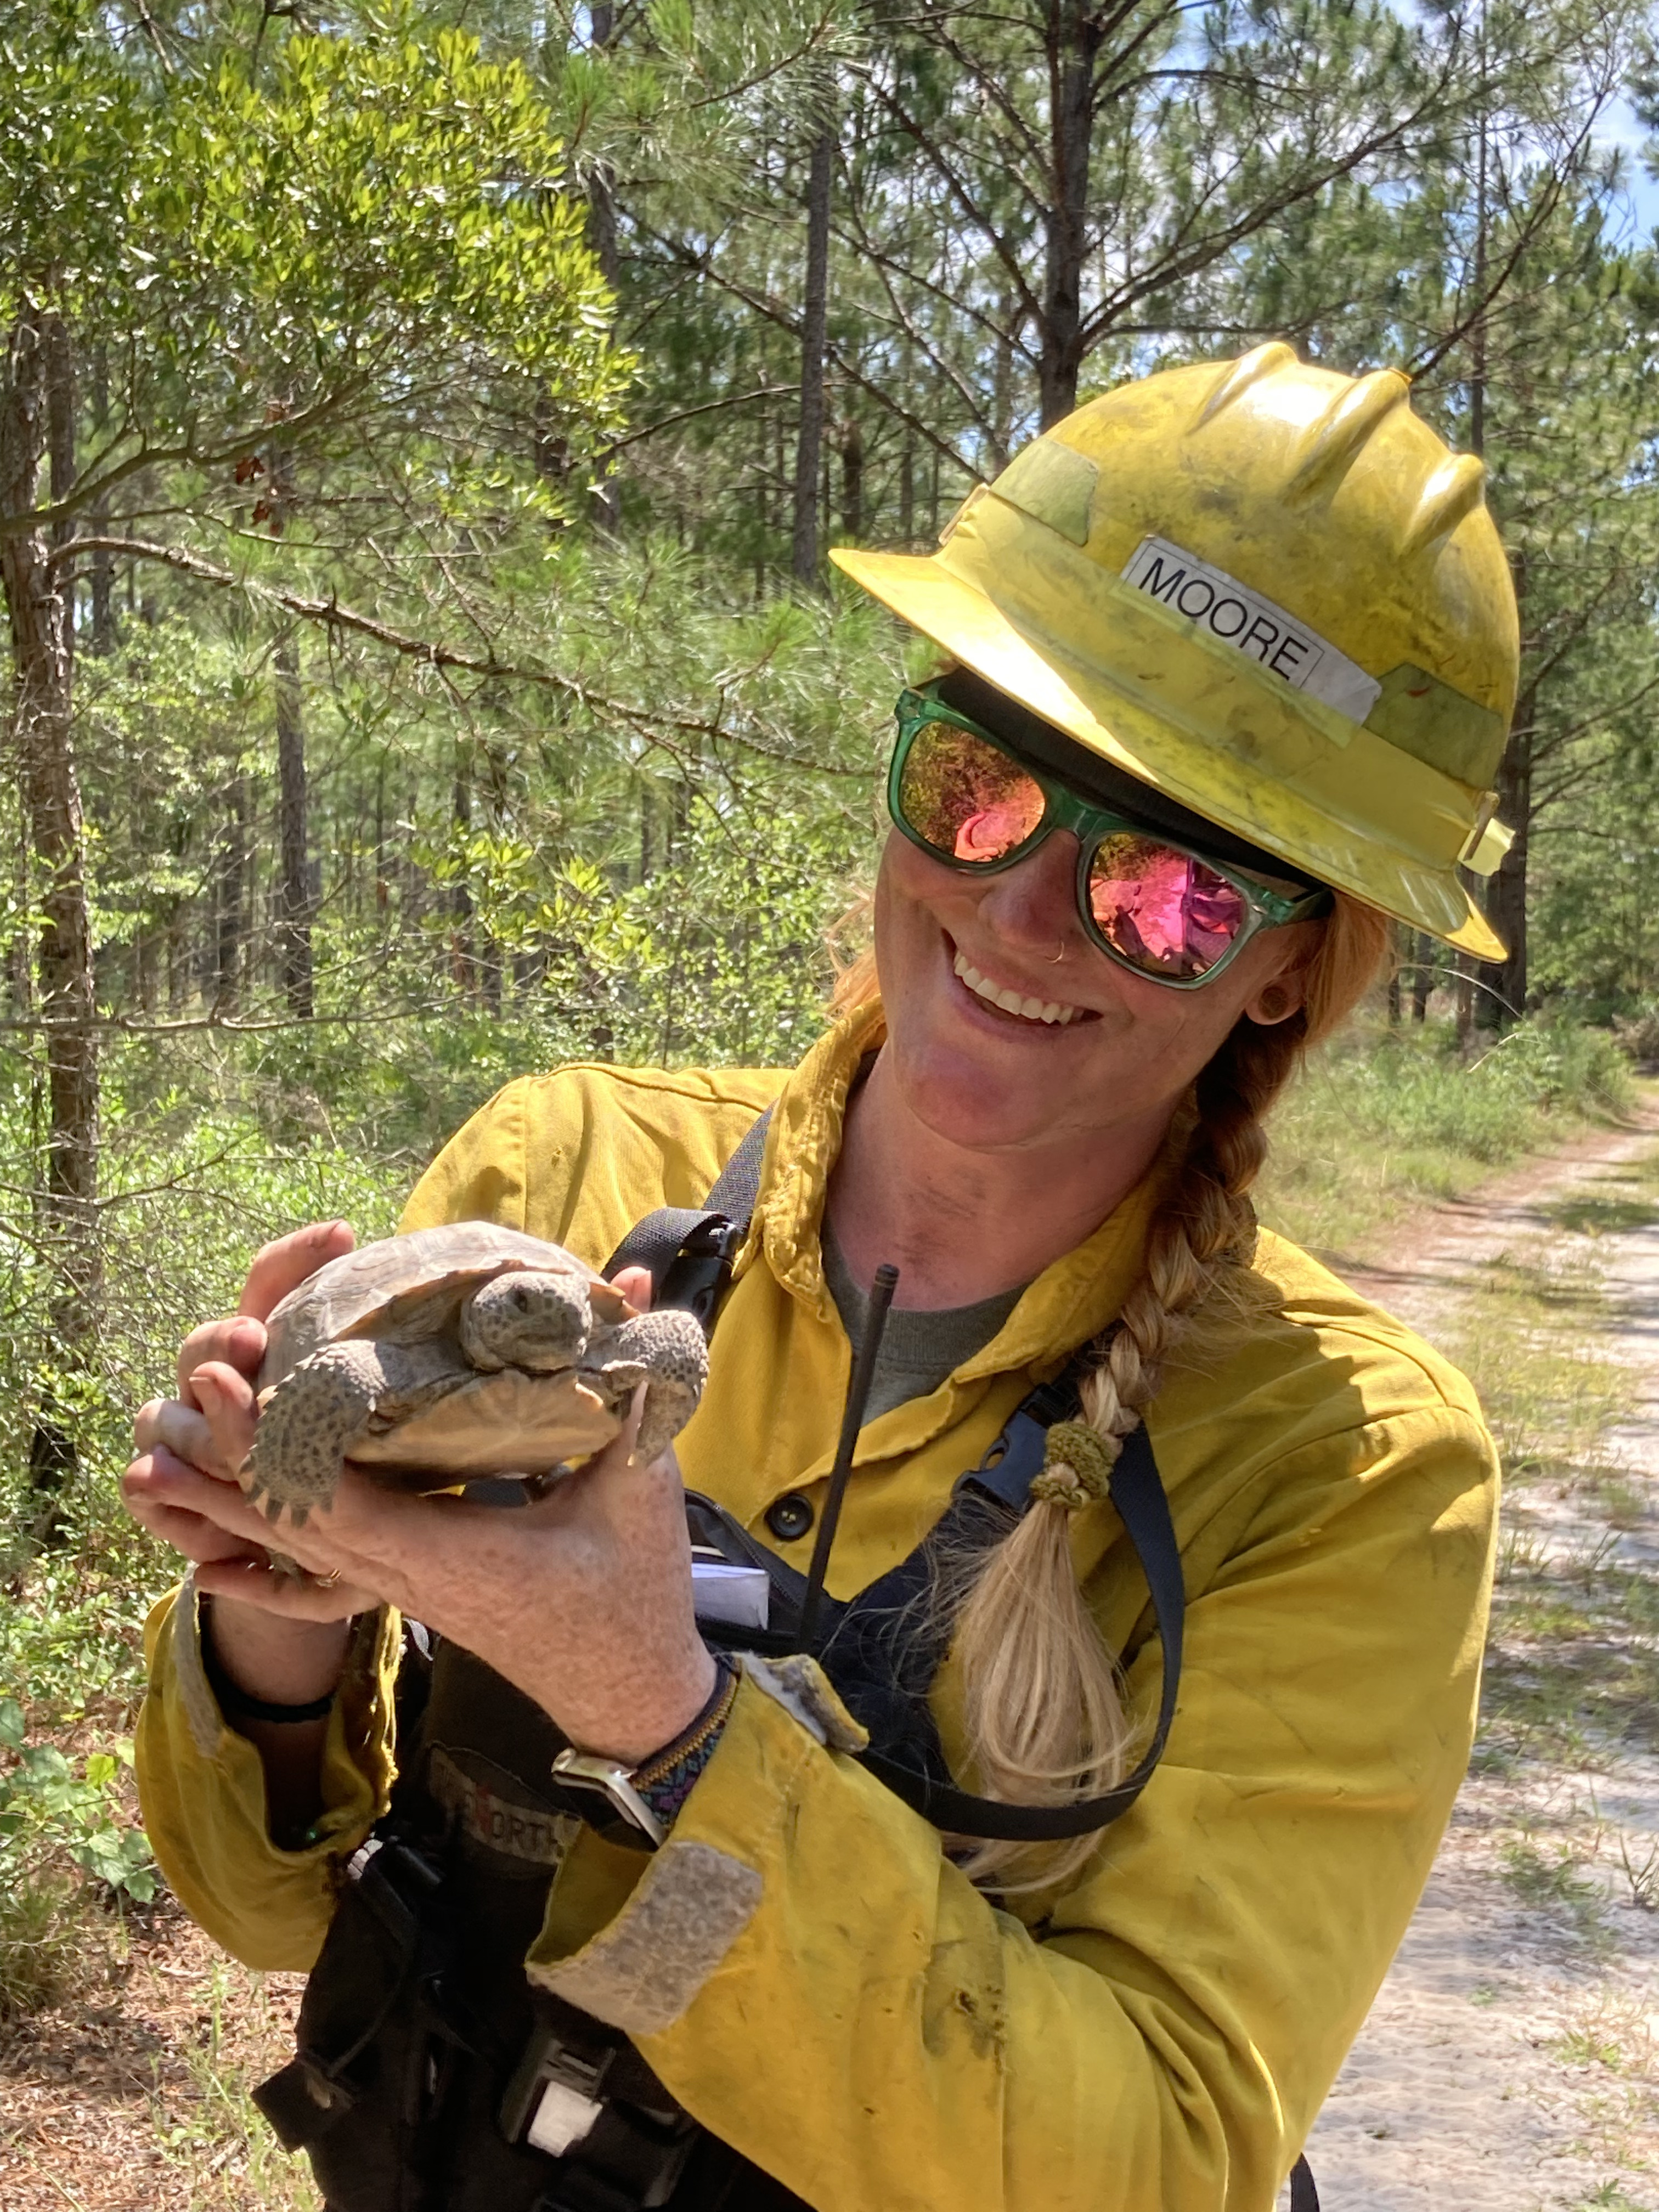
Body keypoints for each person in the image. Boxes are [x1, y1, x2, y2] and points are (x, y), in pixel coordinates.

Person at [125, 342, 1517, 2212]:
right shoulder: (568, 1175)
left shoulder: (1344, 1467)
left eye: (1169, 891)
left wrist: (655, 1709)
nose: (1020, 916)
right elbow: (271, 1911)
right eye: (976, 784)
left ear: (1292, 963)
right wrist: (278, 1604)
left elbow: (1164, 2164)